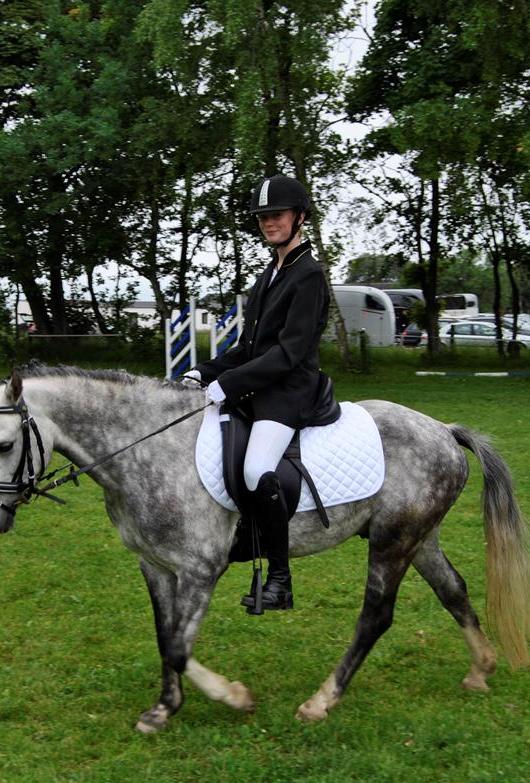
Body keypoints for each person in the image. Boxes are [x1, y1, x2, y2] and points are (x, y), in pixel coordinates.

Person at [184, 174, 330, 612]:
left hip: (290, 392)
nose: (269, 223)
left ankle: (281, 580)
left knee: (255, 469)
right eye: (263, 217)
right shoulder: (269, 274)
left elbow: (287, 354)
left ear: (299, 217)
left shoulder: (309, 276)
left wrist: (227, 385)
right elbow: (249, 348)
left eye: (277, 215)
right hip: (258, 388)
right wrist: (202, 371)